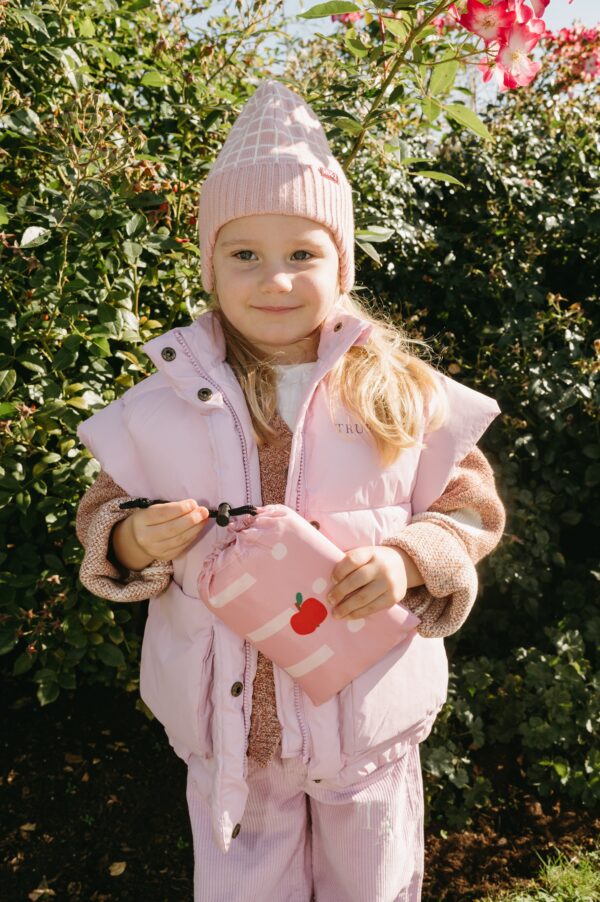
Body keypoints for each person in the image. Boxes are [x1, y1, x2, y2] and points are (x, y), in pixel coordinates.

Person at [75, 79, 506, 901]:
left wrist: (408, 560)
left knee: (371, 887)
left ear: (339, 262)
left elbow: (468, 507)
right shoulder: (163, 405)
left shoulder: (395, 389)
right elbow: (103, 515)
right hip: (229, 738)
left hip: (364, 725)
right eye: (245, 254)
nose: (275, 279)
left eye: (303, 253)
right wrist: (136, 540)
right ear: (210, 266)